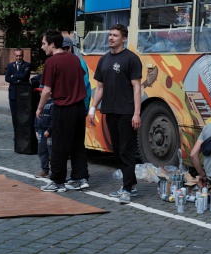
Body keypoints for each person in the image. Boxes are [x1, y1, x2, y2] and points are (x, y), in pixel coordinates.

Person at [89, 24, 142, 204]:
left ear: (124, 38)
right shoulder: (103, 60)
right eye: (110, 35)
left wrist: (137, 113)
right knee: (117, 151)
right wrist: (92, 108)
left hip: (126, 112)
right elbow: (100, 87)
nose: (111, 38)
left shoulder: (131, 59)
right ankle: (131, 184)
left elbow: (137, 88)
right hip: (109, 111)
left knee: (126, 151)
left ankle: (127, 189)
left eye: (115, 35)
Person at [38, 29, 89, 193]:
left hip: (63, 108)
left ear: (52, 44)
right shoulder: (75, 59)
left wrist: (39, 108)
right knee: (77, 145)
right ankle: (80, 178)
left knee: (59, 146)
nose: (42, 47)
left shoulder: (52, 62)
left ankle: (57, 181)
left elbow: (46, 90)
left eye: (44, 43)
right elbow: (80, 78)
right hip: (79, 107)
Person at [61, 37, 92, 114]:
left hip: (76, 109)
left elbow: (86, 86)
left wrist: (84, 108)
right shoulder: (59, 63)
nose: (61, 51)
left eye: (63, 48)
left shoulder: (79, 63)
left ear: (70, 48)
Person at [5, 49, 31, 135]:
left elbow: (25, 76)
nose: (18, 57)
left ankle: (24, 133)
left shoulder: (27, 65)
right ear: (14, 56)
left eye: (20, 56)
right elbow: (7, 78)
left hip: (23, 94)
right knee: (14, 115)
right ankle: (17, 133)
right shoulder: (10, 66)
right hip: (13, 94)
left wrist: (14, 75)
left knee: (24, 115)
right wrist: (17, 81)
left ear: (22, 55)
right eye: (17, 56)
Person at [34, 87, 53, 178]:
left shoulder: (52, 104)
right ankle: (44, 169)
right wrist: (36, 129)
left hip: (49, 132)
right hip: (41, 131)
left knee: (51, 152)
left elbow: (54, 119)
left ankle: (54, 170)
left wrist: (49, 130)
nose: (40, 94)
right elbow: (37, 118)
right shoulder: (40, 104)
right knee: (42, 151)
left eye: (42, 92)